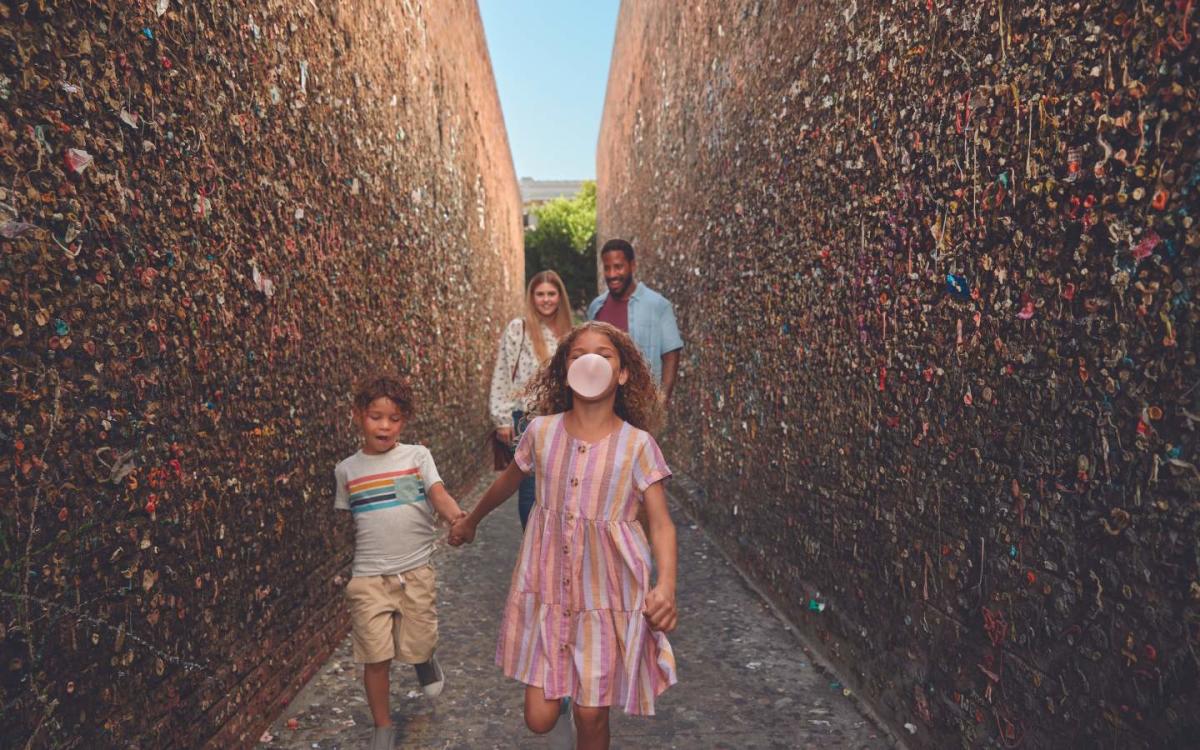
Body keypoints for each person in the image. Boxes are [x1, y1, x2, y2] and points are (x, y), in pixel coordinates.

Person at [452, 322, 679, 750]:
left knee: (591, 713)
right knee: (538, 719)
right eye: (578, 354)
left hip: (605, 594)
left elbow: (662, 522)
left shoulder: (639, 446)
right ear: (564, 370)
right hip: (547, 589)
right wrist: (472, 520)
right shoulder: (541, 431)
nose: (590, 361)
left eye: (604, 354)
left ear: (624, 373)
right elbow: (508, 481)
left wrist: (665, 585)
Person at [334, 375, 466, 750]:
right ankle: (383, 727)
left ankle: (424, 659)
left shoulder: (416, 457)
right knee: (375, 656)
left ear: (404, 421)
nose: (385, 426)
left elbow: (434, 494)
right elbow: (353, 521)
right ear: (359, 416)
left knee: (419, 642)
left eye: (394, 419)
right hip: (368, 577)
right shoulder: (346, 471)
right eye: (376, 417)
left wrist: (456, 518)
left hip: (414, 572)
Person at [489, 270, 572, 529]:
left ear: (560, 296)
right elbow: (503, 371)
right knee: (528, 488)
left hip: (565, 419)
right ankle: (532, 545)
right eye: (540, 294)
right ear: (532, 297)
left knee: (562, 486)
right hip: (528, 419)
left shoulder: (572, 332)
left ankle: (557, 542)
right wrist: (501, 418)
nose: (546, 299)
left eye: (551, 293)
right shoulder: (519, 328)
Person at [586, 239, 684, 403]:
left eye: (618, 266)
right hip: (603, 403)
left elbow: (671, 354)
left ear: (632, 266)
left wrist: (663, 398)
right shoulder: (596, 307)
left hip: (643, 404)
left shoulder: (658, 305)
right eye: (607, 268)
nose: (611, 274)